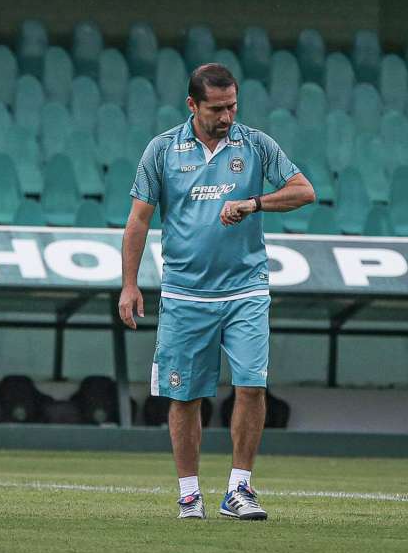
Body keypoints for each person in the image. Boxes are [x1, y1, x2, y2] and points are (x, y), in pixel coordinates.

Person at [118, 63, 315, 520]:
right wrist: (129, 284)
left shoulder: (257, 144)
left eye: (232, 106)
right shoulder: (162, 150)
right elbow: (139, 220)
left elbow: (304, 191)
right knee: (184, 396)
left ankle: (239, 490)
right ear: (192, 105)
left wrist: (254, 203)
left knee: (251, 386)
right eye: (217, 108)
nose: (227, 116)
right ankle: (189, 493)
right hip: (186, 294)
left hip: (246, 289)